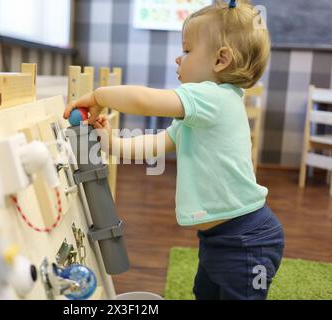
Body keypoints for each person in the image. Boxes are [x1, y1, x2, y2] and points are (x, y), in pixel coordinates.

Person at [63, 0, 284, 300]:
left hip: (247, 241)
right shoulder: (199, 115)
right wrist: (113, 144)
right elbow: (156, 143)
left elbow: (143, 101)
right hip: (218, 238)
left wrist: (100, 95)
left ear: (220, 60)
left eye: (187, 51)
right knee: (204, 293)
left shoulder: (214, 98)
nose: (179, 60)